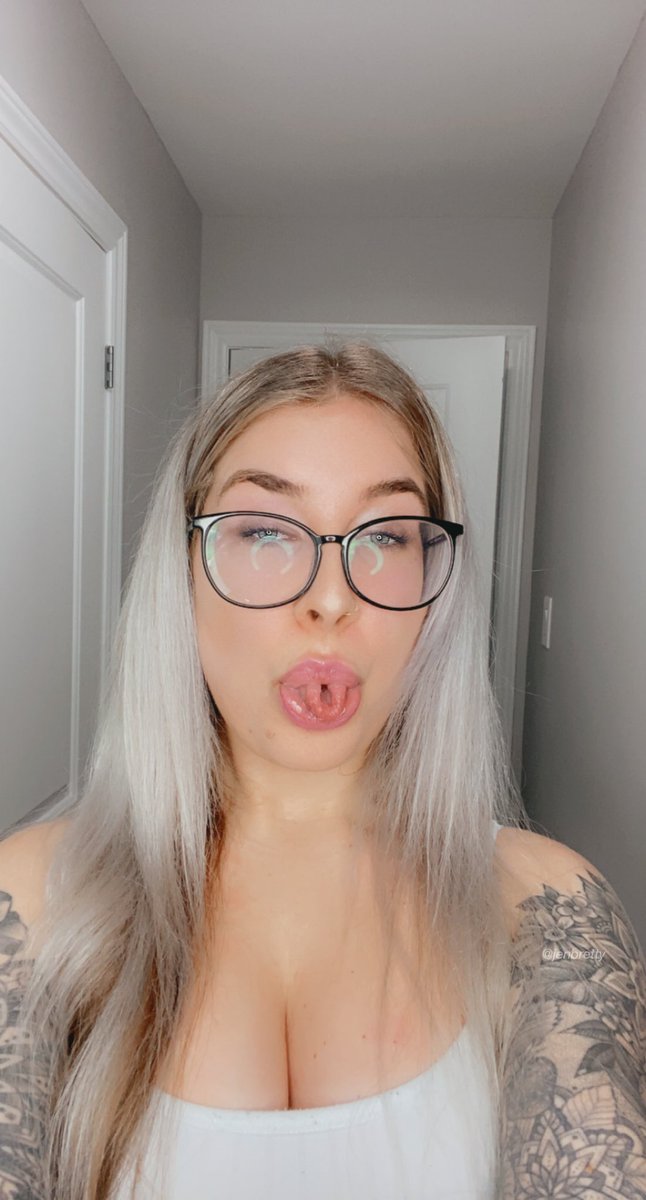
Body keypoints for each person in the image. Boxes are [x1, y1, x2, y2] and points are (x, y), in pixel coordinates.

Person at [1, 343, 644, 1200]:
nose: (332, 600)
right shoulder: (35, 901)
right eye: (265, 531)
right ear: (183, 570)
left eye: (385, 536)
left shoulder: (543, 907)